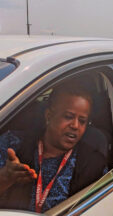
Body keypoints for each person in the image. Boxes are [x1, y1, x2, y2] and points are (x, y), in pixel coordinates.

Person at [0, 82, 107, 213]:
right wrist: (5, 178)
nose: (75, 125)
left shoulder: (93, 164)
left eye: (82, 121)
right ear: (49, 116)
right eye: (68, 117)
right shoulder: (12, 144)